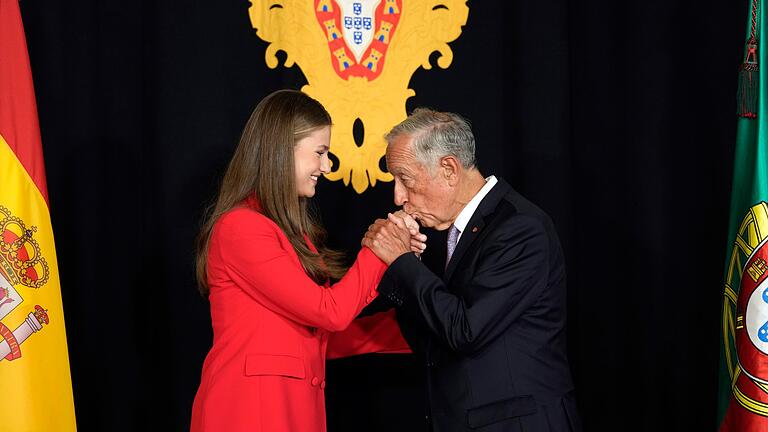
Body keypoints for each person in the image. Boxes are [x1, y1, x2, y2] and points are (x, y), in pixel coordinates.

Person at [190, 90, 418, 432]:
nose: (326, 166)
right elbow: (330, 312)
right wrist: (380, 249)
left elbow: (318, 335)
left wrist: (418, 328)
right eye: (320, 152)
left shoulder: (292, 234)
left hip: (290, 411)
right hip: (248, 413)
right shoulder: (240, 228)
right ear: (281, 151)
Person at [363, 108, 581, 432]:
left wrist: (402, 261)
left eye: (405, 179)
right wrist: (407, 264)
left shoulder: (520, 228)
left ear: (449, 169)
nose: (398, 196)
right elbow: (431, 342)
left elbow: (465, 331)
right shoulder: (449, 237)